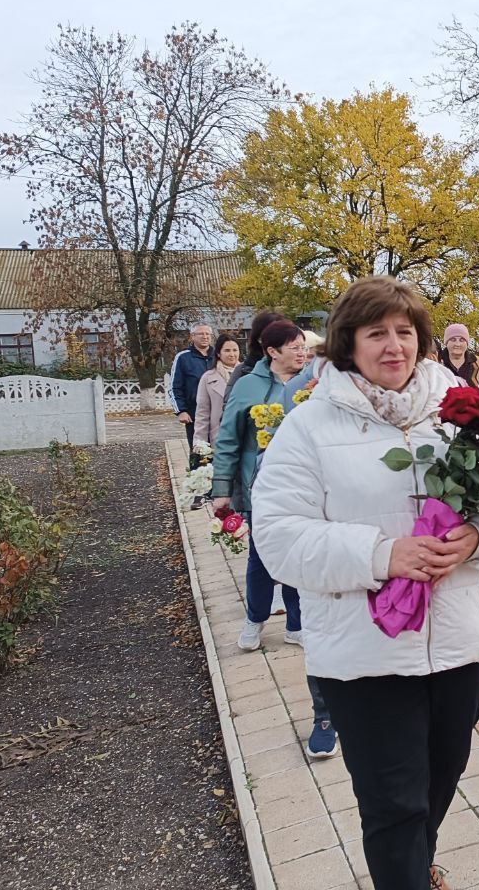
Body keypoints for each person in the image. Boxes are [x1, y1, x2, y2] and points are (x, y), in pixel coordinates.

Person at [251, 276, 479, 890]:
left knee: (438, 782)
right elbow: (277, 536)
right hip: (365, 656)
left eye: (405, 331)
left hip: (457, 644)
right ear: (348, 343)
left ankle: (416, 866)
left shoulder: (464, 414)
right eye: (376, 332)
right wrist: (382, 555)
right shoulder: (309, 427)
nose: (393, 345)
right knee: (393, 804)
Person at [210, 320, 337, 759]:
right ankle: (255, 619)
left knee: (306, 566)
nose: (301, 351)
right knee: (263, 557)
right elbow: (228, 437)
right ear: (270, 350)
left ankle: (297, 624)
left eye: (305, 345)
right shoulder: (248, 387)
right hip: (259, 484)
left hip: (315, 490)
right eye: (292, 346)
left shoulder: (317, 382)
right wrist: (221, 488)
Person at [169, 324, 214, 458]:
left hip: (219, 413)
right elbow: (174, 387)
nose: (205, 337)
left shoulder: (219, 355)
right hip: (195, 415)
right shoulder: (183, 358)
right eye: (201, 334)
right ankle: (197, 478)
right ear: (192, 336)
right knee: (199, 453)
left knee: (219, 452)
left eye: (208, 334)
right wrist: (181, 411)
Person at [193, 333, 241, 447]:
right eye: (227, 350)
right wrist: (200, 444)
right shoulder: (208, 378)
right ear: (218, 353)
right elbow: (202, 413)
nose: (232, 354)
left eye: (235, 350)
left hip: (245, 436)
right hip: (220, 437)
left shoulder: (249, 375)